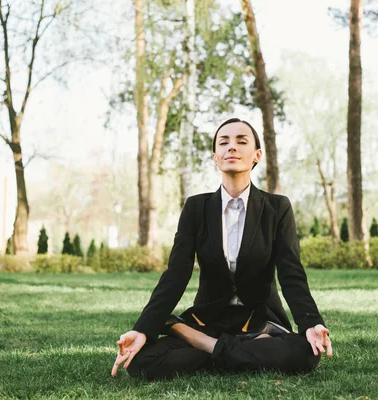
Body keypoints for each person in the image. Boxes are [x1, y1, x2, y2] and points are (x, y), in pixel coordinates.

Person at [111, 118, 332, 380]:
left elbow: (291, 272)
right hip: (209, 322)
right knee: (141, 362)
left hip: (261, 324)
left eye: (241, 141)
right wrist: (143, 330)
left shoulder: (277, 207)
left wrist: (310, 323)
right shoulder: (196, 208)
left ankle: (201, 344)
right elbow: (176, 273)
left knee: (307, 353)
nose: (232, 148)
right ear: (215, 157)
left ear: (256, 155)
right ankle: (238, 354)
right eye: (224, 142)